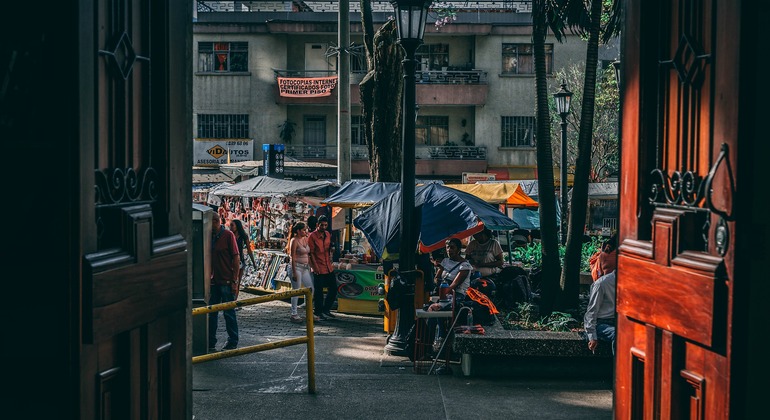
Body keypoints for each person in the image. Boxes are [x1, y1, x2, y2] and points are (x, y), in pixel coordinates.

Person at [209, 214, 240, 351]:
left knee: (229, 312)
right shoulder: (210, 236)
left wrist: (234, 280)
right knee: (212, 313)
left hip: (226, 280)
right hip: (214, 281)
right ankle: (210, 341)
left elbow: (236, 257)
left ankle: (232, 340)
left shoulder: (228, 235)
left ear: (215, 222)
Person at [583, 234, 618, 355]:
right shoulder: (602, 284)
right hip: (602, 323)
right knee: (618, 336)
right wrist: (592, 336)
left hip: (617, 321)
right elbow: (591, 312)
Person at [308, 215, 337, 320]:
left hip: (328, 266)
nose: (323, 227)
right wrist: (315, 268)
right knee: (319, 291)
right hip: (318, 267)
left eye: (325, 225)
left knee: (333, 288)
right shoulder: (312, 236)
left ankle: (326, 309)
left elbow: (329, 248)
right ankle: (318, 311)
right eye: (322, 225)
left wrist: (332, 251)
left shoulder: (328, 234)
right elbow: (310, 254)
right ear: (317, 225)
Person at [286, 221, 316, 323]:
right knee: (296, 290)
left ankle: (309, 311)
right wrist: (294, 272)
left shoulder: (305, 239)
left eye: (306, 229)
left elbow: (308, 254)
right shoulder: (294, 241)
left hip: (305, 268)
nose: (305, 231)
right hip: (296, 268)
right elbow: (292, 257)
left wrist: (312, 266)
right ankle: (294, 314)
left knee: (311, 289)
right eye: (303, 230)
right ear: (298, 231)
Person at [229, 218, 256, 300]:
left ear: (237, 226)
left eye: (232, 225)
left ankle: (234, 301)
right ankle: (230, 300)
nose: (230, 227)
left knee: (237, 282)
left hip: (240, 261)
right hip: (230, 261)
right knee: (231, 281)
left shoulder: (243, 236)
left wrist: (253, 262)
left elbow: (249, 249)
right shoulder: (229, 235)